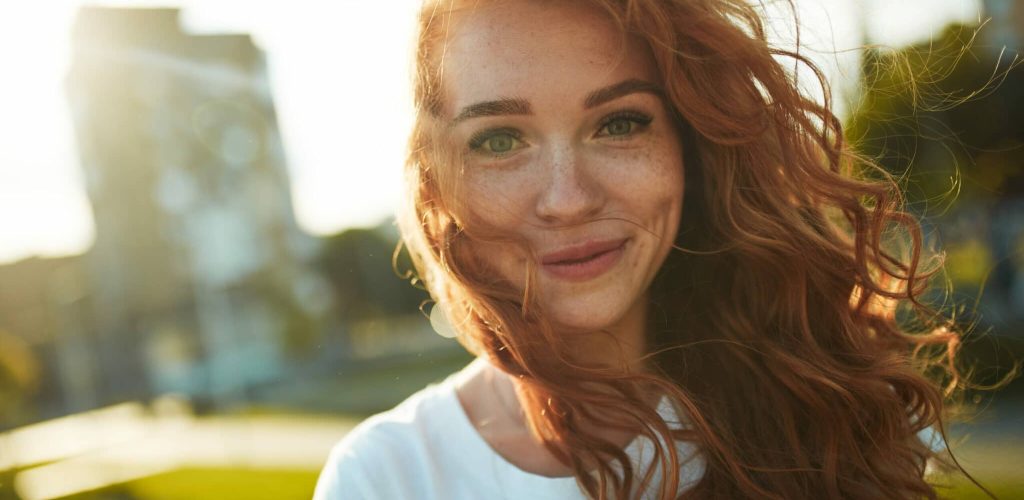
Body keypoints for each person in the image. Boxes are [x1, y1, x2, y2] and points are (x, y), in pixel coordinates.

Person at [314, 0, 967, 498]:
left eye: (619, 123)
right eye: (499, 140)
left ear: (690, 146)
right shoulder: (389, 477)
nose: (567, 199)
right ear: (437, 181)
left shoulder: (834, 408)